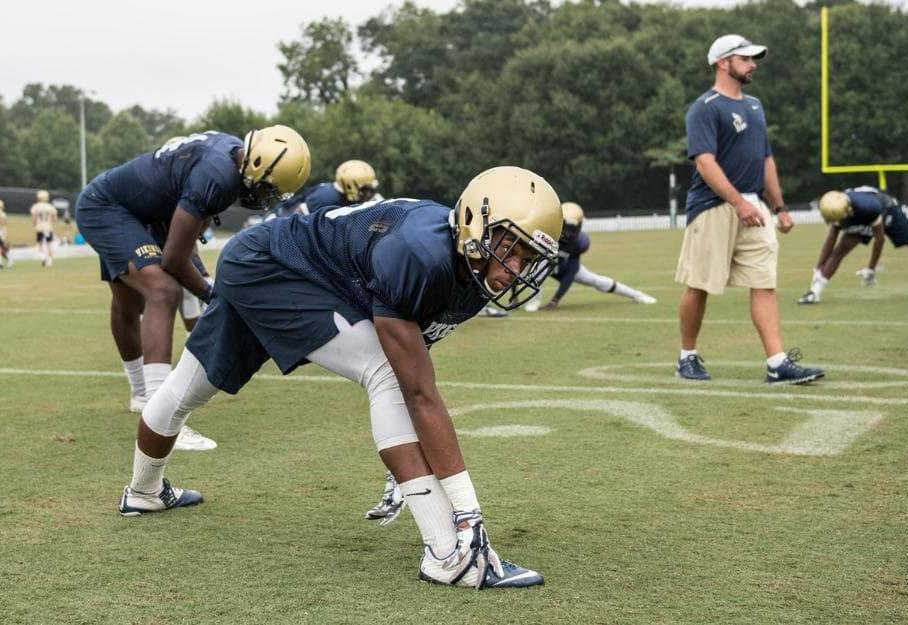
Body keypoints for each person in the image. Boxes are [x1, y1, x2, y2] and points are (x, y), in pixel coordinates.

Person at [117, 165, 562, 589]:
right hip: (273, 266)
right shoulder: (422, 255)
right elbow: (417, 390)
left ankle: (143, 491)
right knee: (386, 374)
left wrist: (408, 470)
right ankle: (451, 557)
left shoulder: (465, 265)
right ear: (475, 225)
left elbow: (413, 359)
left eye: (529, 258)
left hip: (269, 263)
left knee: (191, 385)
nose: (516, 270)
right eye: (510, 250)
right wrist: (466, 511)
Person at [76, 126, 311, 452]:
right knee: (163, 291)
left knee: (130, 300)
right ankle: (159, 414)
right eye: (269, 188)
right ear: (256, 165)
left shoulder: (231, 157)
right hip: (109, 207)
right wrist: (211, 293)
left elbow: (186, 234)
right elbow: (174, 259)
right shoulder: (218, 176)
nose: (267, 197)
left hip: (146, 213)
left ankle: (143, 396)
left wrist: (201, 282)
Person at [675, 34, 824, 385]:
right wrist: (738, 203)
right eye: (745, 58)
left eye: (753, 58)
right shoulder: (705, 107)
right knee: (699, 285)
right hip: (714, 207)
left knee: (764, 284)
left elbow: (765, 159)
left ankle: (777, 363)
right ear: (723, 63)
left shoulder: (755, 105)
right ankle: (687, 356)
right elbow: (705, 163)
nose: (753, 63)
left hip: (754, 207)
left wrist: (780, 206)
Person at [524, 201, 657, 311]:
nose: (569, 233)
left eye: (573, 229)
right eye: (566, 227)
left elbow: (570, 274)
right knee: (534, 272)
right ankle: (533, 301)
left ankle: (637, 295)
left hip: (566, 267)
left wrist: (555, 300)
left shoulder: (579, 243)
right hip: (546, 263)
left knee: (597, 281)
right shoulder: (548, 234)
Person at [798, 187, 908, 304]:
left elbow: (880, 239)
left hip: (886, 209)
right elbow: (831, 239)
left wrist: (871, 268)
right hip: (856, 213)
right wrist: (818, 268)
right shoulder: (836, 205)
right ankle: (815, 292)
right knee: (842, 247)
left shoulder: (869, 208)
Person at [271, 159, 379, 218]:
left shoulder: (342, 195)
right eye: (365, 190)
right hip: (277, 220)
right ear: (350, 186)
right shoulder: (326, 198)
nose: (369, 194)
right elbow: (295, 221)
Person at [30, 189, 59, 266]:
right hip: (48, 228)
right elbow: (55, 219)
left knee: (40, 244)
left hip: (39, 227)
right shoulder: (50, 207)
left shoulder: (35, 206)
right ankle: (49, 261)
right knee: (49, 244)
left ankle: (43, 257)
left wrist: (35, 223)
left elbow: (33, 219)